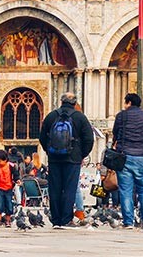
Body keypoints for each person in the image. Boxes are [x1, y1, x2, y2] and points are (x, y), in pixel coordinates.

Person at [38, 92, 93, 228]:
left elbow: (42, 138)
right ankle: (66, 219)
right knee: (70, 188)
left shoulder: (51, 116)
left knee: (55, 188)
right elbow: (89, 139)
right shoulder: (80, 117)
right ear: (74, 103)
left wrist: (49, 151)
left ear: (61, 102)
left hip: (54, 158)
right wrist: (81, 154)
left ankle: (56, 220)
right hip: (73, 159)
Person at [111, 92, 143, 229]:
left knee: (126, 190)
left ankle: (128, 221)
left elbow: (115, 132)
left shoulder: (121, 116)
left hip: (125, 156)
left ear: (129, 102)